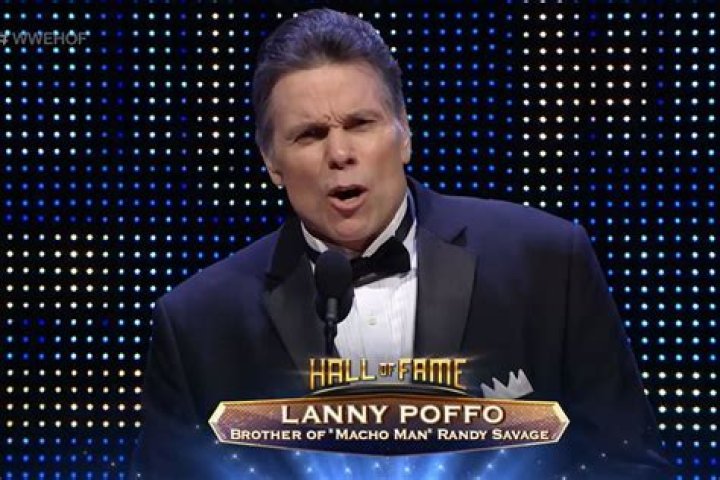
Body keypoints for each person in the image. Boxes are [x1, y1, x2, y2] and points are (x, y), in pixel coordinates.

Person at [132, 8, 671, 479]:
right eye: (309, 135)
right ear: (272, 161)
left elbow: (627, 464)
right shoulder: (199, 326)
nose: (339, 153)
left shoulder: (547, 264)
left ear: (404, 132)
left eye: (360, 123)